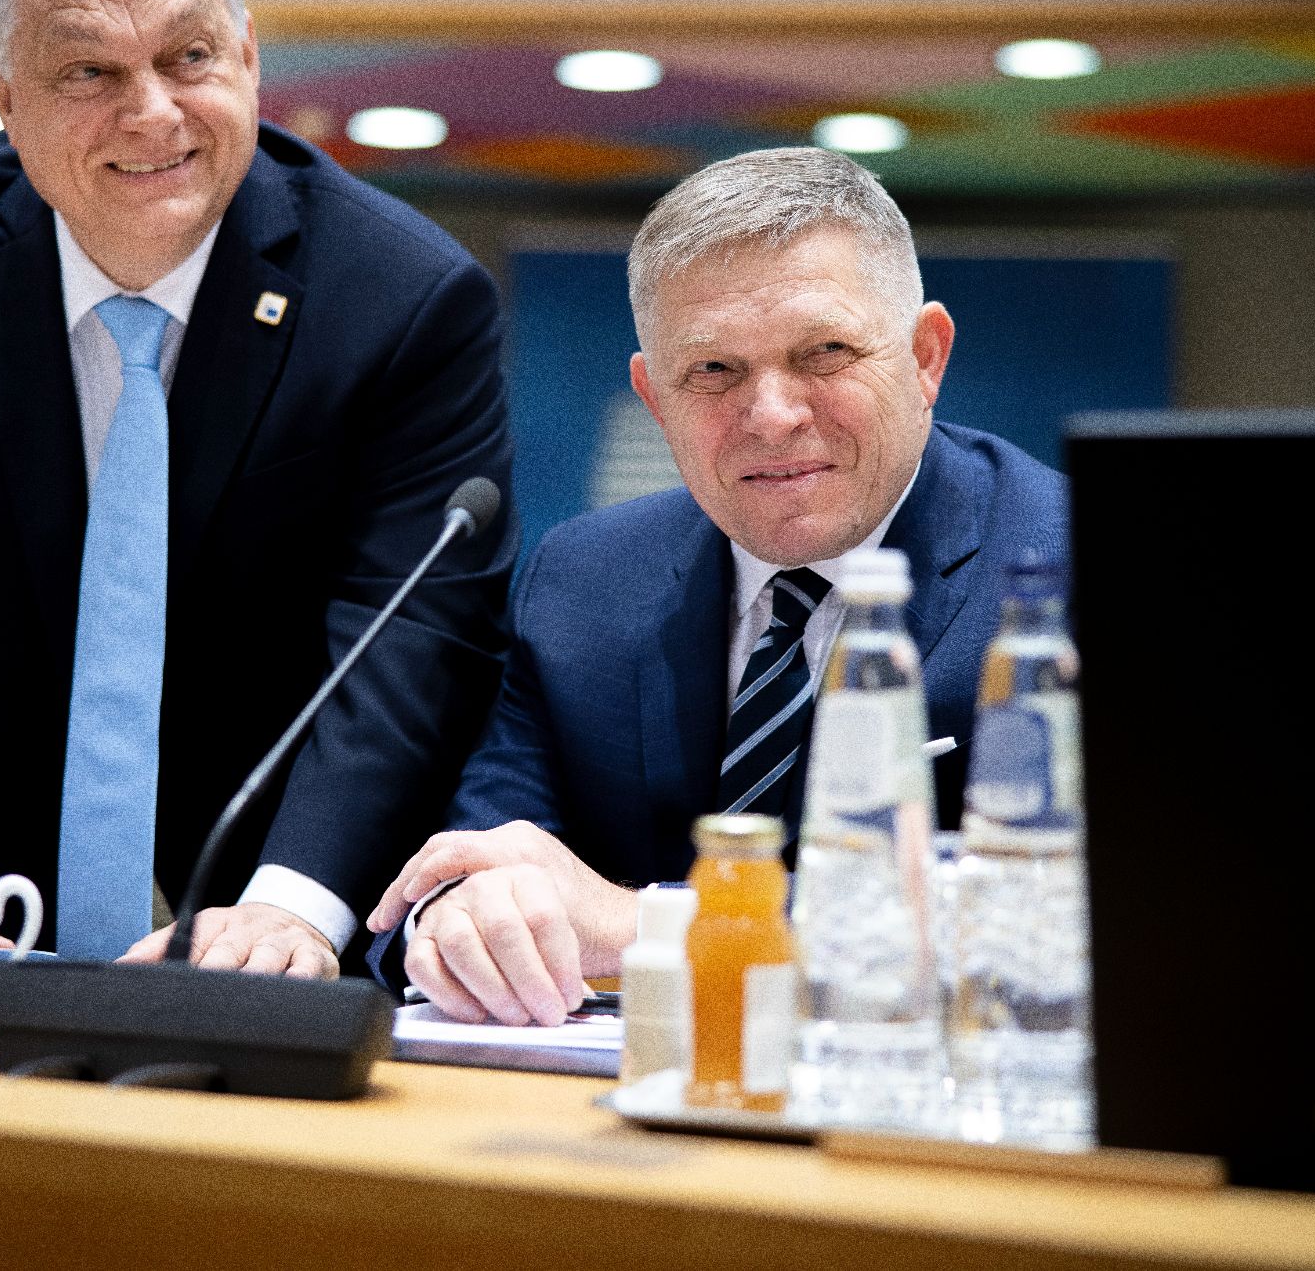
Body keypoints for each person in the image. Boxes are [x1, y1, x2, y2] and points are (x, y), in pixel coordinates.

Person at [0, 0, 514, 978]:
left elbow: (418, 641)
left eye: (190, 57)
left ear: (248, 58)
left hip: (295, 917)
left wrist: (296, 906)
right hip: (9, 919)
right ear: (6, 98)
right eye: (90, 72)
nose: (153, 111)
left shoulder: (403, 300)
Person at [366, 147, 1065, 1024]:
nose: (772, 416)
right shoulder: (582, 582)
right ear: (655, 396)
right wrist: (463, 919)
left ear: (926, 357)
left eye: (825, 352)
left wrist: (643, 926)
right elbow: (475, 863)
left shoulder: (1074, 570)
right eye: (714, 371)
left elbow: (1075, 919)